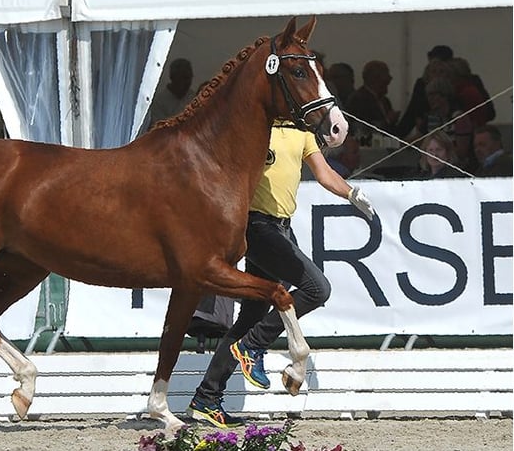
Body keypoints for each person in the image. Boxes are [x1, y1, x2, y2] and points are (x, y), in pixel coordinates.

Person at [187, 121, 375, 428]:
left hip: (282, 229)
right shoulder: (257, 128)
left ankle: (206, 399)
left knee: (250, 319)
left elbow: (325, 174)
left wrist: (352, 193)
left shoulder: (301, 133)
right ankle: (252, 347)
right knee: (317, 288)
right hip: (257, 227)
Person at [346, 60, 400, 140]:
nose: (390, 79)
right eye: (385, 78)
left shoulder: (385, 101)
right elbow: (360, 129)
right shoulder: (358, 99)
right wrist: (387, 121)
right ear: (374, 78)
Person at [147, 58, 195, 127]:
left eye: (187, 78)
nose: (185, 82)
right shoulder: (159, 102)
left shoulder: (193, 98)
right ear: (172, 77)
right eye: (181, 78)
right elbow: (159, 128)